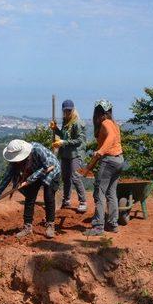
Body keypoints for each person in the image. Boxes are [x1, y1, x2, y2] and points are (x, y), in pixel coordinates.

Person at [0, 139, 61, 239]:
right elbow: (7, 177)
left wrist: (30, 179)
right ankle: (27, 227)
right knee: (30, 197)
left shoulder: (37, 150)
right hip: (34, 171)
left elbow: (46, 167)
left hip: (51, 169)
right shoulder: (15, 162)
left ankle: (50, 224)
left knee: (48, 196)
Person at [78, 99, 124, 236]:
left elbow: (110, 138)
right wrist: (89, 167)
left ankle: (98, 227)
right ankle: (113, 224)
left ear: (97, 112)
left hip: (109, 161)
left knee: (99, 193)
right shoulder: (114, 123)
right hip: (119, 160)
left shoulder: (105, 123)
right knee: (111, 193)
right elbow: (105, 144)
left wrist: (101, 151)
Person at [50, 99, 87, 213]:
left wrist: (63, 142)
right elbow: (63, 135)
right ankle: (66, 199)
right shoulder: (66, 121)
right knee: (66, 177)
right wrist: (55, 129)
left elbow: (79, 140)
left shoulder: (77, 123)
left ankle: (83, 202)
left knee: (75, 177)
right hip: (66, 154)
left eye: (69, 110)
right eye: (65, 110)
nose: (67, 112)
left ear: (73, 109)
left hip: (76, 154)